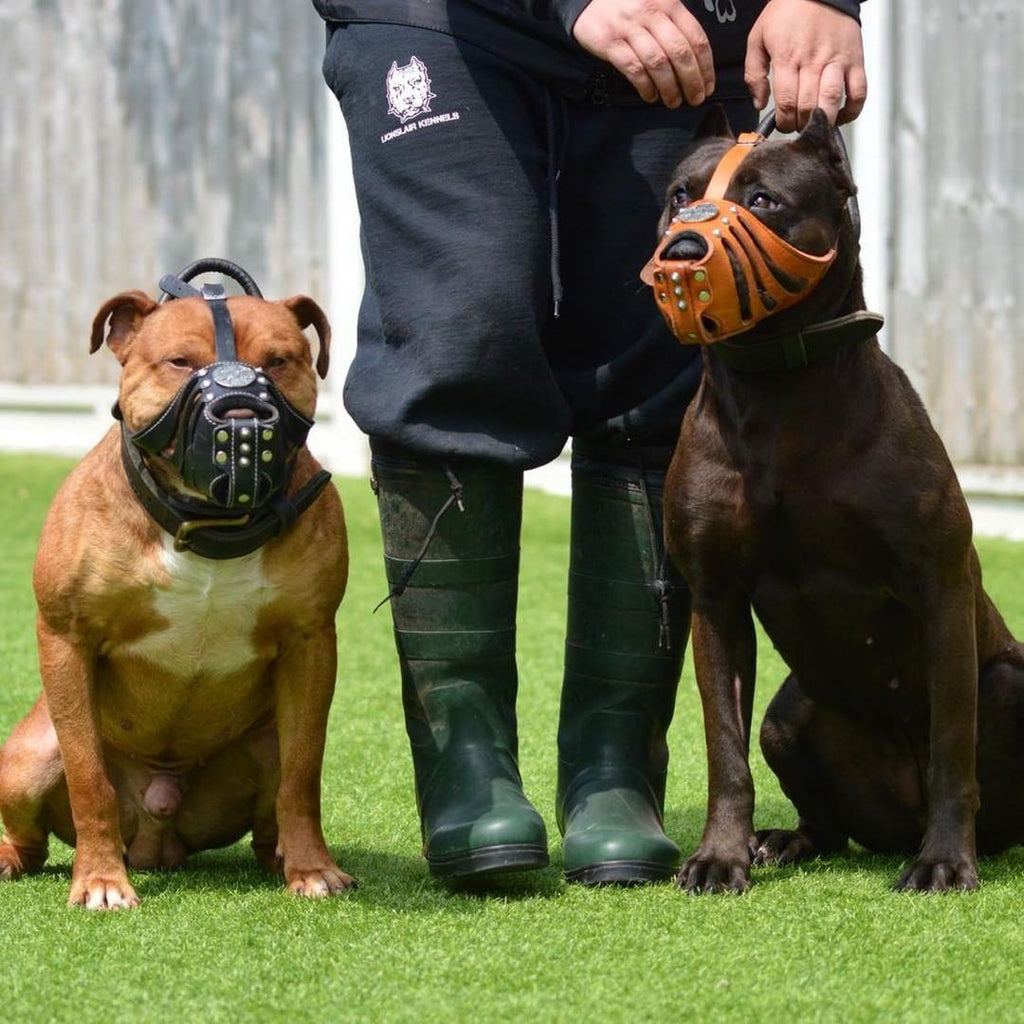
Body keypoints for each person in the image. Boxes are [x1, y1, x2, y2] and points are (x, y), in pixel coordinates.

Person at [313, 0, 867, 884]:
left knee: (662, 347)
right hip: (449, 26)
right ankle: (468, 762)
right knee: (463, 332)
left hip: (694, 28)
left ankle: (616, 768)